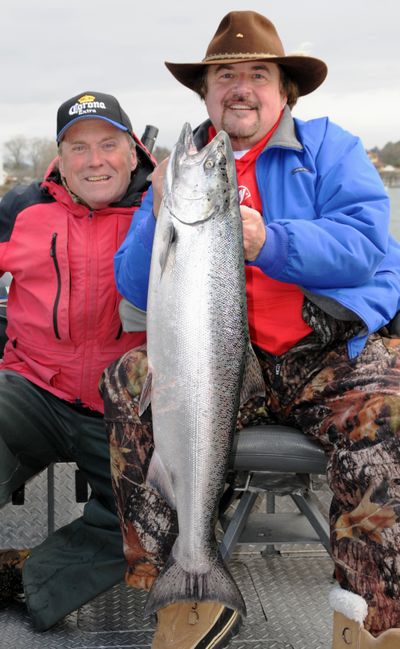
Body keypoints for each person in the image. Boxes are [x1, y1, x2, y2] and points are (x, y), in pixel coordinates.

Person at [100, 11, 400, 649]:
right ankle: (181, 585)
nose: (239, 87)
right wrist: (157, 210)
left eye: (257, 74)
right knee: (128, 384)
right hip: (212, 362)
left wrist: (269, 239)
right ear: (205, 93)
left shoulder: (329, 149)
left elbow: (364, 247)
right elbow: (132, 285)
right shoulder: (182, 169)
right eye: (224, 76)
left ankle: (371, 621)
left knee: (390, 409)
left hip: (322, 353)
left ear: (283, 90)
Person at [0, 90, 155, 631]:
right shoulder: (21, 208)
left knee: (154, 521)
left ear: (133, 152)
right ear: (59, 158)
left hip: (127, 407)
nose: (95, 161)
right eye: (79, 147)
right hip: (32, 389)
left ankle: (28, 579)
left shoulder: (165, 212)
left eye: (109, 145)